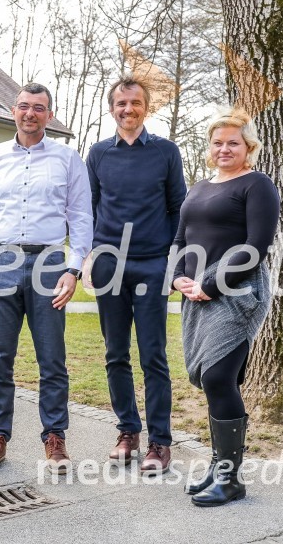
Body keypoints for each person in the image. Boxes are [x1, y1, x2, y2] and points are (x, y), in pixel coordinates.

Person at [0, 82, 93, 474]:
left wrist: (73, 269)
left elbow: (81, 215)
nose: (30, 113)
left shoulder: (67, 159)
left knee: (52, 358)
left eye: (38, 108)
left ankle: (55, 438)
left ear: (49, 115)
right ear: (13, 110)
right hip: (1, 262)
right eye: (23, 106)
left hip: (50, 264)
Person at [172, 107, 279, 506]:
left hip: (237, 293)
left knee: (219, 377)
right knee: (212, 378)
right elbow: (180, 239)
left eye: (233, 142)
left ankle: (230, 478)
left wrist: (211, 285)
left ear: (248, 147)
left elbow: (257, 245)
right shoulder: (198, 188)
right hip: (195, 293)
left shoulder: (257, 185)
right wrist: (177, 277)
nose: (224, 149)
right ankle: (219, 467)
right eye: (217, 142)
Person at [85, 74, 187, 473]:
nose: (128, 109)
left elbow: (178, 209)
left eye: (135, 103)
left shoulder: (166, 152)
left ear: (146, 107)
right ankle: (128, 431)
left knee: (153, 355)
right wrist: (94, 255)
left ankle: (160, 442)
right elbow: (89, 208)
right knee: (115, 354)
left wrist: (172, 263)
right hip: (109, 264)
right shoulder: (98, 154)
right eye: (121, 103)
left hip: (152, 264)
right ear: (112, 109)